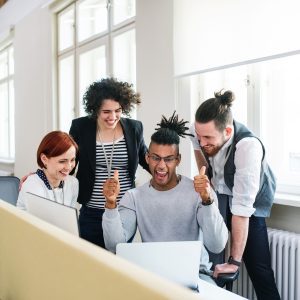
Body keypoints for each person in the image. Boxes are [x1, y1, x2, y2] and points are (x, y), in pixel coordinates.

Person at [102, 112, 228, 284]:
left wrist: (207, 201)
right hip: (153, 275)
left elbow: (217, 245)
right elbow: (114, 244)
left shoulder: (199, 192)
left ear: (178, 160)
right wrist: (110, 204)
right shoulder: (133, 197)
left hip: (195, 274)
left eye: (168, 159)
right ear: (147, 158)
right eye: (155, 158)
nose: (161, 166)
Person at [189, 90, 280, 299]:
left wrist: (234, 262)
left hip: (251, 202)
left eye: (208, 138)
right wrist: (207, 178)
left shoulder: (248, 147)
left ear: (228, 131)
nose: (202, 142)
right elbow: (200, 153)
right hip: (219, 192)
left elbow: (241, 209)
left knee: (258, 268)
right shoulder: (198, 130)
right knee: (213, 265)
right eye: (199, 136)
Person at [69, 78, 149, 248]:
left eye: (118, 110)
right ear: (95, 109)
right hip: (91, 211)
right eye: (106, 111)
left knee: (118, 259)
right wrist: (43, 176)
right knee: (90, 261)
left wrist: (173, 177)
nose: (113, 117)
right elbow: (67, 162)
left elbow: (147, 160)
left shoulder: (134, 128)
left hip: (124, 210)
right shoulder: (81, 127)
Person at [17, 131, 79, 210]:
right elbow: (41, 221)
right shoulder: (32, 186)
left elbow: (70, 218)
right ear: (44, 159)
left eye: (72, 160)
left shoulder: (73, 183)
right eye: (62, 161)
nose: (68, 167)